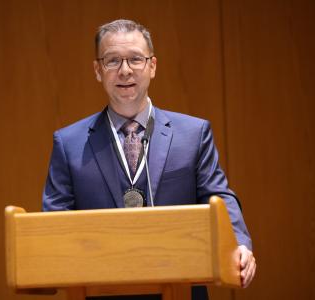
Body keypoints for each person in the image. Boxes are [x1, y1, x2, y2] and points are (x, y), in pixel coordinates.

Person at [43, 19, 256, 300]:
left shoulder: (193, 133)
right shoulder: (69, 143)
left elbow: (216, 195)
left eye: (135, 59)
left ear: (152, 66)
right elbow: (55, 219)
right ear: (98, 70)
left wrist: (239, 244)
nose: (125, 70)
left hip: (181, 286)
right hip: (100, 291)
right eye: (112, 61)